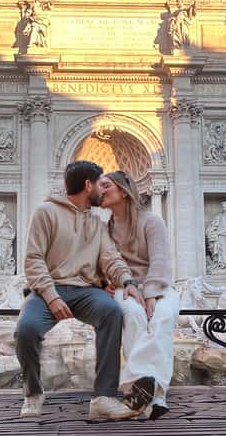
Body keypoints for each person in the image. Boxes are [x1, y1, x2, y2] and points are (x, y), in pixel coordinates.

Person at [15, 161, 140, 420]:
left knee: (111, 312)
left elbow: (111, 259)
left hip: (86, 291)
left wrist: (128, 281)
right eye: (100, 185)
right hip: (47, 290)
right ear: (87, 185)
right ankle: (33, 393)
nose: (103, 191)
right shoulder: (45, 212)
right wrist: (51, 297)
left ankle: (104, 397)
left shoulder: (96, 223)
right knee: (26, 330)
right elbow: (33, 260)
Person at [98, 171, 179, 419]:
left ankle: (150, 395)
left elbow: (160, 261)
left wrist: (152, 294)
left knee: (162, 318)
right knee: (134, 316)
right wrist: (103, 283)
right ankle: (148, 395)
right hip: (125, 288)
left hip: (159, 286)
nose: (100, 190)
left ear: (123, 191)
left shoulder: (152, 221)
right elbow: (99, 263)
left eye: (106, 186)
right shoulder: (104, 230)